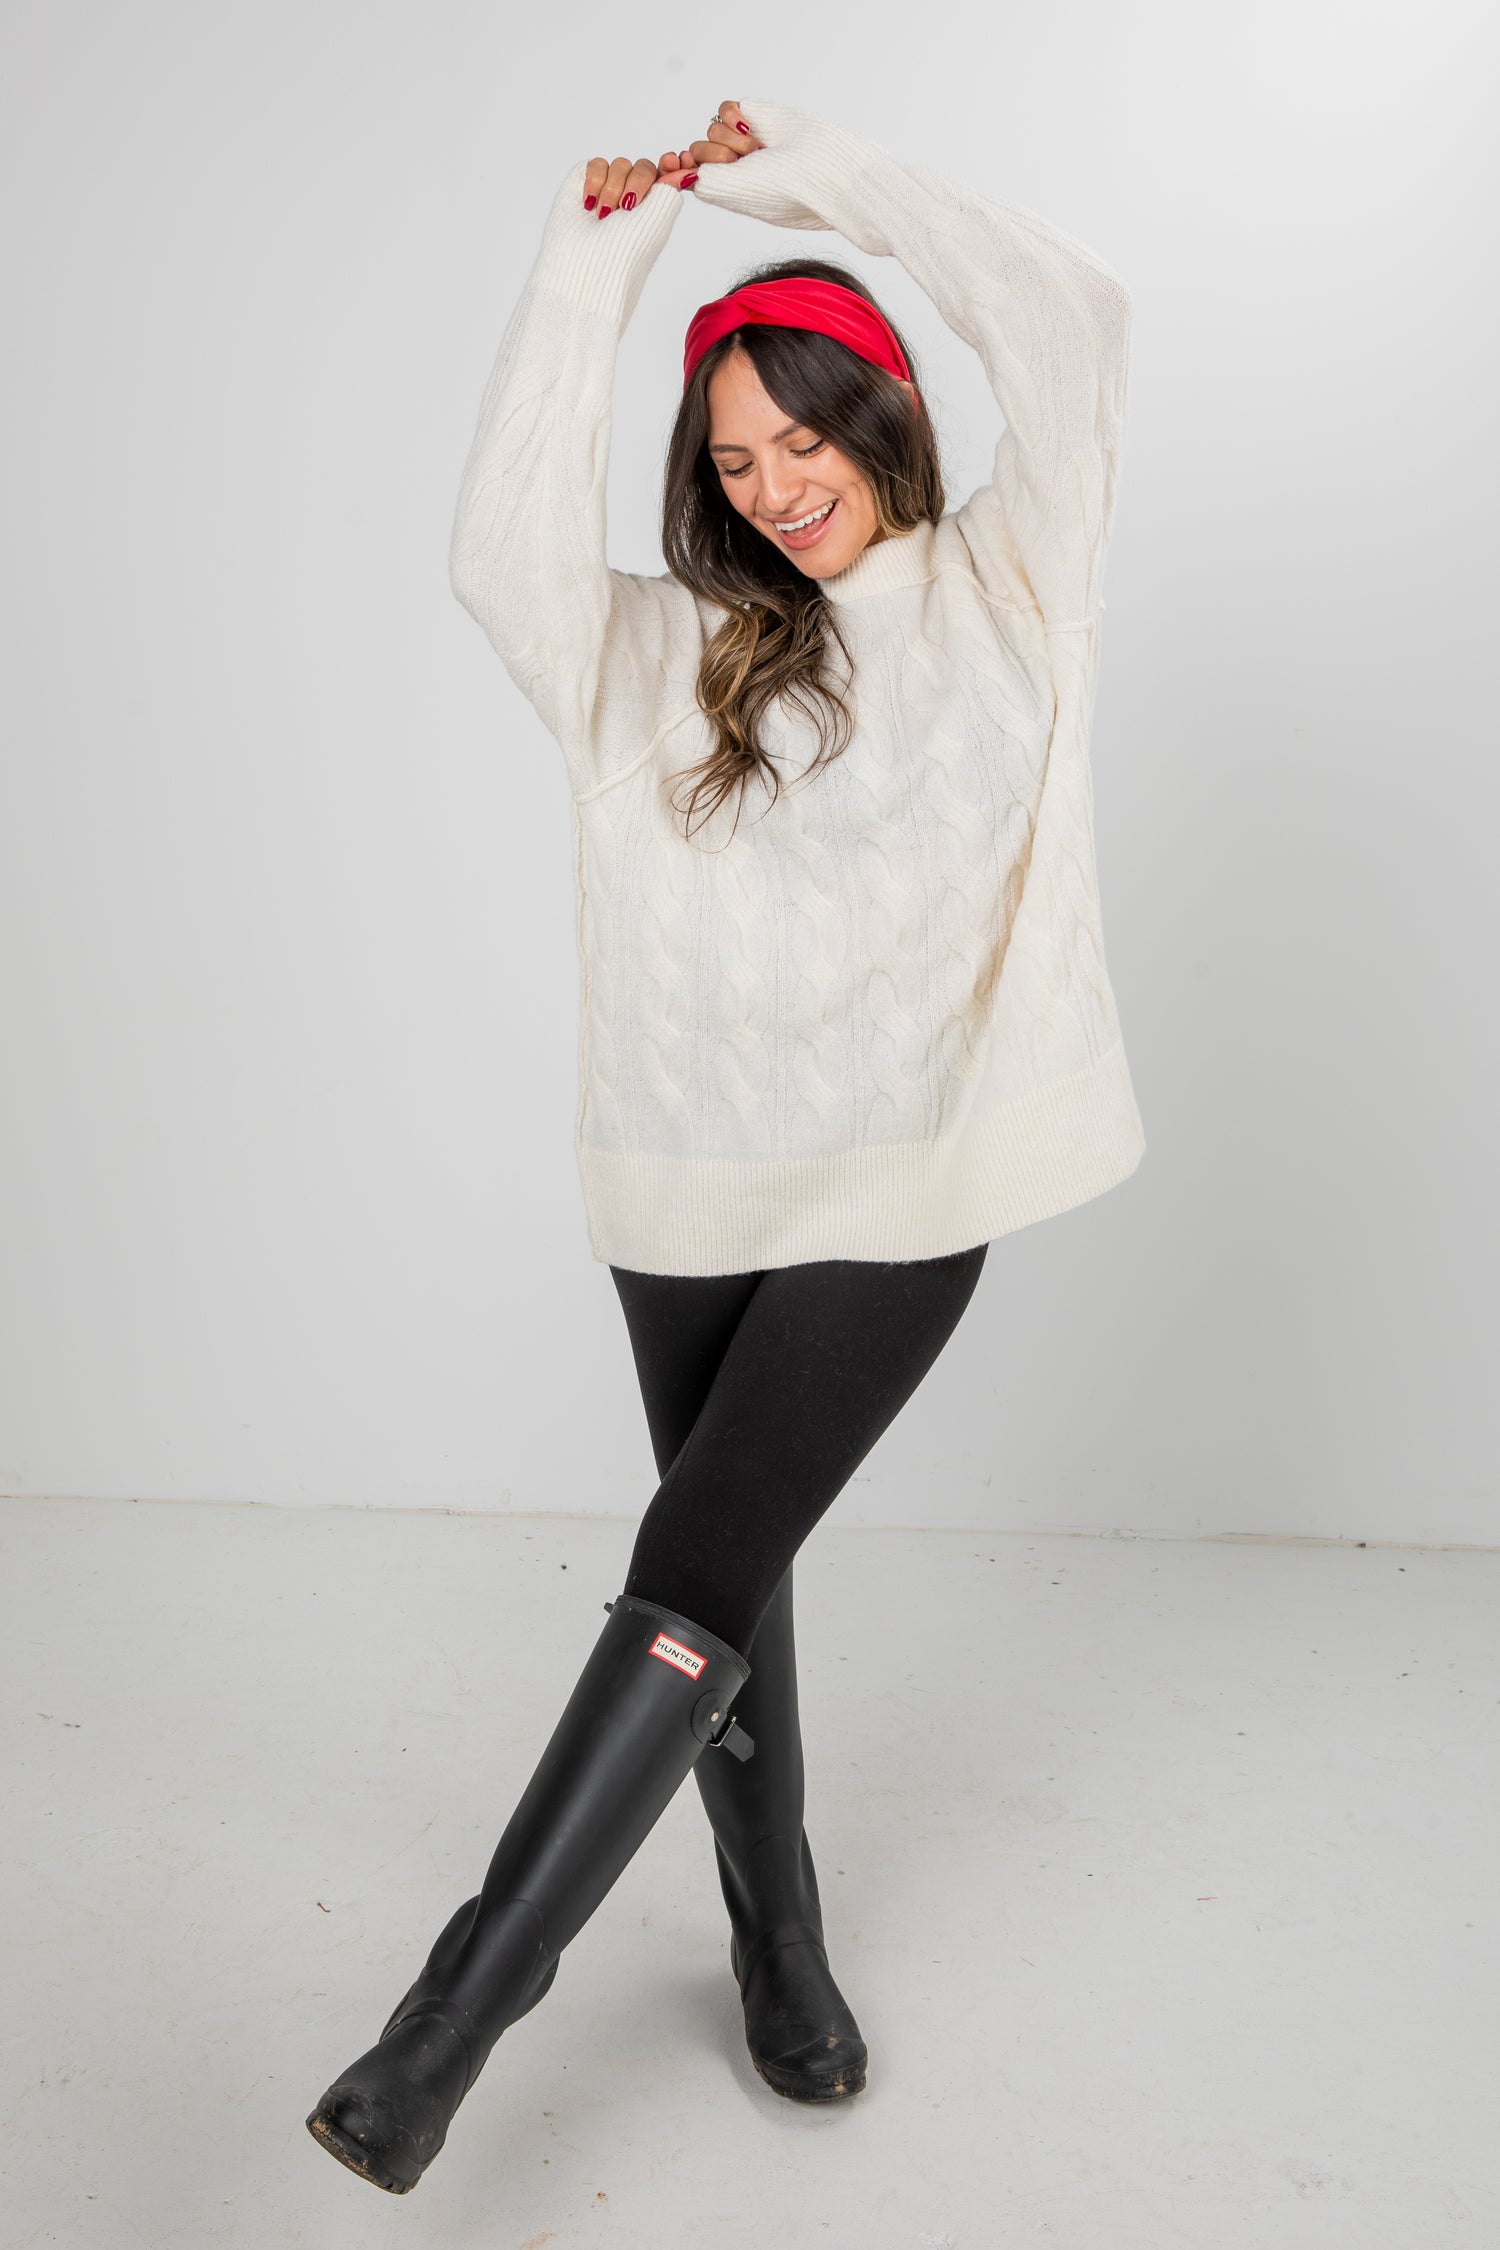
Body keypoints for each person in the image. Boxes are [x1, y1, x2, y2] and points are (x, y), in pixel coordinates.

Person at [306, 93, 1145, 2195]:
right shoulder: (653, 654)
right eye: (736, 462)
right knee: (736, 1568)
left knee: (690, 1559)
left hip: (913, 1178)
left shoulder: (1017, 585)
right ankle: (781, 1927)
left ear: (882, 416)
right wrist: (603, 262)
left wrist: (793, 187)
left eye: (809, 442)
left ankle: (452, 2015)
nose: (780, 495)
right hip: (688, 1179)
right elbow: (495, 537)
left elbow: (1073, 316)